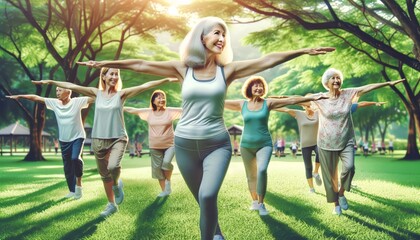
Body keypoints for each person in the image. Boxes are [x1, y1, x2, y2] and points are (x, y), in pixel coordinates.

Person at [77, 16, 334, 240]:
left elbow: (266, 60)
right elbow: (141, 65)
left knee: (208, 195)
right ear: (201, 37)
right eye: (216, 32)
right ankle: (218, 231)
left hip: (217, 144)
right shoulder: (182, 69)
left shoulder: (228, 71)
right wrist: (105, 63)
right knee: (202, 200)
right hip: (185, 145)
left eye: (224, 34)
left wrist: (303, 50)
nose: (222, 38)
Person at [32, 71, 177, 218]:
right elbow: (72, 86)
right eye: (111, 74)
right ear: (104, 77)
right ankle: (111, 204)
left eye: (116, 74)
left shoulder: (122, 94)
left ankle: (116, 184)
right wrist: (50, 82)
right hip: (98, 139)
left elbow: (145, 86)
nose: (114, 77)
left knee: (113, 166)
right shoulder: (96, 93)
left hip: (118, 138)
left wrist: (165, 79)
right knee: (104, 175)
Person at [224, 76, 326, 216]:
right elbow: (219, 102)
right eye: (255, 85)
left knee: (261, 171)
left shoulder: (268, 103)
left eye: (261, 85)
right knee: (250, 175)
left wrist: (315, 98)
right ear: (249, 88)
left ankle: (261, 203)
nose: (258, 88)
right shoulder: (242, 104)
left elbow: (290, 101)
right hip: (246, 145)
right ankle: (254, 202)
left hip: (264, 144)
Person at [311, 68, 404, 216]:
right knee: (330, 176)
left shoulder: (348, 94)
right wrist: (280, 99)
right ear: (326, 82)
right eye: (333, 78)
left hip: (346, 139)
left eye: (338, 78)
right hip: (326, 142)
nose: (336, 80)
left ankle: (341, 193)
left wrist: (387, 83)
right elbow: (300, 99)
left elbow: (366, 88)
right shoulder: (320, 98)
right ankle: (336, 205)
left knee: (349, 167)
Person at [7, 86, 94, 200]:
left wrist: (106, 91)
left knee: (75, 158)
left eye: (60, 90)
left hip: (78, 137)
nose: (57, 93)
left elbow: (95, 96)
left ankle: (79, 186)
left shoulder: (77, 102)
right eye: (56, 90)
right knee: (67, 166)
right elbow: (37, 98)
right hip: (63, 140)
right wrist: (20, 96)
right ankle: (72, 191)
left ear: (68, 91)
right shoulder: (55, 103)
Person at [124, 89, 182, 197]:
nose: (162, 99)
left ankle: (168, 181)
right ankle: (165, 191)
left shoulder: (170, 111)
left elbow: (185, 110)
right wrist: (119, 107)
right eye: (159, 97)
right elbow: (133, 110)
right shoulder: (148, 113)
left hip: (170, 144)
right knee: (158, 170)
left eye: (163, 97)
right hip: (155, 146)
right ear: (153, 100)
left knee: (166, 163)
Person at [275, 103, 323, 194]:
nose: (309, 106)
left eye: (311, 104)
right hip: (305, 144)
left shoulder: (318, 113)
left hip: (317, 142)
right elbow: (285, 109)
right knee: (308, 166)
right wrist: (270, 106)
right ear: (303, 106)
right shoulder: (298, 114)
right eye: (307, 104)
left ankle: (316, 172)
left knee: (321, 153)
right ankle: (311, 188)